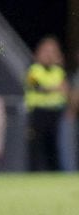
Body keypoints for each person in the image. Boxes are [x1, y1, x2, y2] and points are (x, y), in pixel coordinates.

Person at [24, 35, 68, 171]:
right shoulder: (33, 70)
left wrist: (51, 89)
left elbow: (65, 89)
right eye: (46, 51)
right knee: (36, 145)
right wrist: (54, 88)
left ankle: (55, 173)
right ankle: (34, 173)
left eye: (52, 51)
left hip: (55, 113)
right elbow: (36, 87)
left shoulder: (58, 71)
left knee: (54, 146)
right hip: (37, 113)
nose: (49, 55)